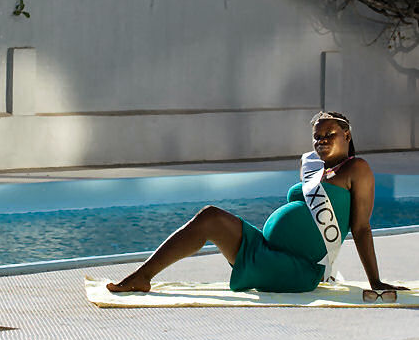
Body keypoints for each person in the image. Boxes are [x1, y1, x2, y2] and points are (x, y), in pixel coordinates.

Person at [107, 111, 408, 293]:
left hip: (297, 269)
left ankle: (141, 277)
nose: (322, 141)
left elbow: (361, 228)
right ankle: (142, 276)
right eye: (317, 138)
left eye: (330, 134)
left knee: (211, 218)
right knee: (210, 215)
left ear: (347, 134)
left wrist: (376, 282)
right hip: (269, 251)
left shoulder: (357, 169)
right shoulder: (316, 169)